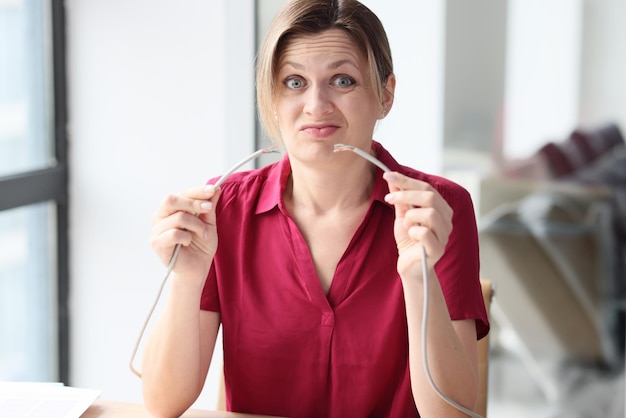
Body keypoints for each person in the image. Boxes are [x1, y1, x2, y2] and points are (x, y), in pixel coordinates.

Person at [142, 0, 489, 417]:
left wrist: (418, 281)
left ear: (385, 95)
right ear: (272, 99)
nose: (316, 105)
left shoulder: (436, 210)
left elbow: (452, 414)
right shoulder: (223, 211)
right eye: (294, 83)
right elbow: (162, 405)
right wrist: (186, 277)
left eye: (342, 80)